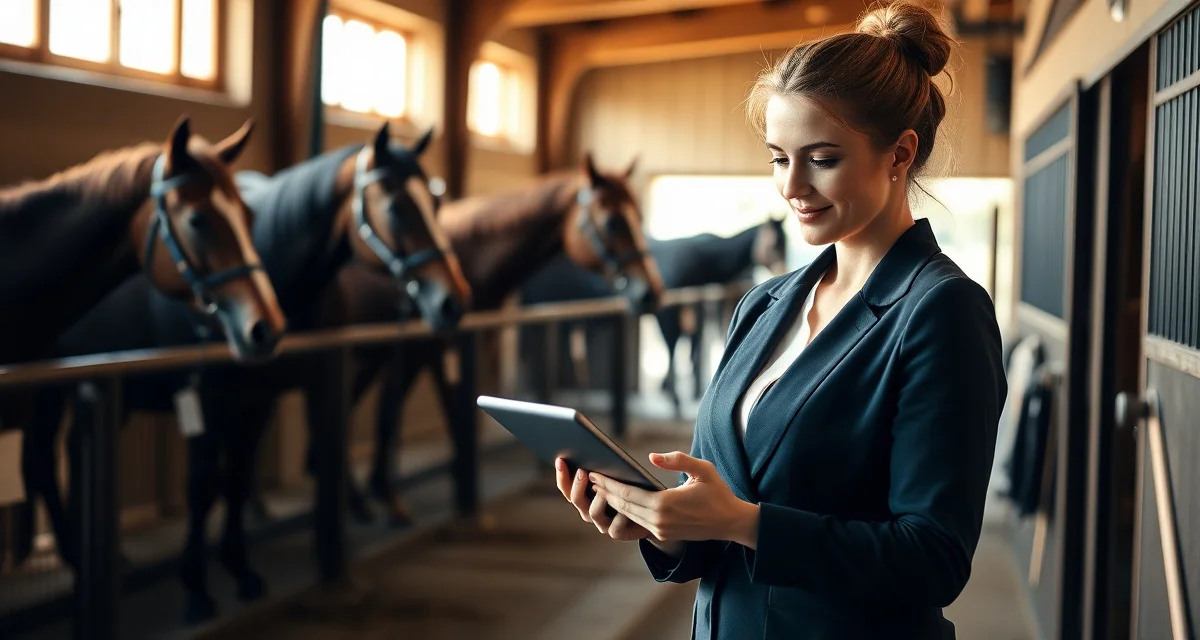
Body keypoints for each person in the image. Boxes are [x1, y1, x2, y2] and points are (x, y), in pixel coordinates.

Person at [554, 1, 1008, 638]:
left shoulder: (940, 311)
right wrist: (666, 527)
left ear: (900, 153)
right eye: (777, 157)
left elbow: (933, 559)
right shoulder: (766, 304)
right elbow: (723, 521)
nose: (791, 186)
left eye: (821, 159)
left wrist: (742, 521)